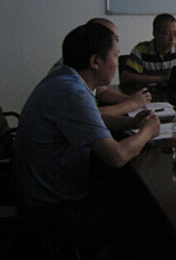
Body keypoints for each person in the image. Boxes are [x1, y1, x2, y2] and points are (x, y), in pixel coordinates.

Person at [13, 23, 161, 254]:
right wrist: (148, 131)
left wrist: (132, 123)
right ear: (95, 62)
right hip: (52, 210)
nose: (117, 63)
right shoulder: (72, 93)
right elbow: (117, 156)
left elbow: (91, 121)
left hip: (43, 192)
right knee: (144, 211)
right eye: (115, 56)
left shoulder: (63, 79)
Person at [51, 18, 152, 117]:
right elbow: (91, 115)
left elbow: (101, 92)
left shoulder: (77, 71)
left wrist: (132, 100)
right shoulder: (70, 86)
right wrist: (132, 103)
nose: (114, 42)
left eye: (116, 38)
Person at [121, 13, 176, 86]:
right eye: (166, 33)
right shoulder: (141, 50)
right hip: (148, 92)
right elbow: (126, 77)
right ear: (155, 34)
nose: (172, 38)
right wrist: (159, 79)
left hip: (175, 91)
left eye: (175, 34)